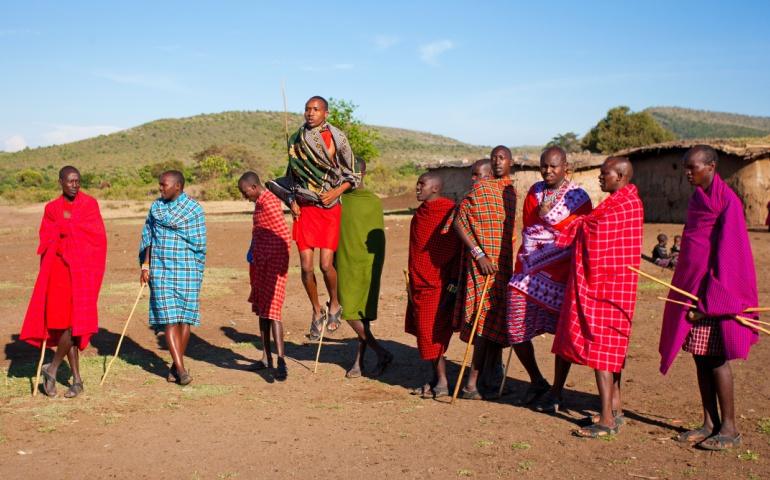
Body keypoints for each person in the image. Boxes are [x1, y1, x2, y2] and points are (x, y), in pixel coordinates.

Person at [659, 145, 760, 451]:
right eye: (685, 168)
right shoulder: (698, 200)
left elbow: (729, 257)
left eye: (693, 168)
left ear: (712, 166)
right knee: (700, 358)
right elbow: (694, 252)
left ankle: (729, 428)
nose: (687, 173)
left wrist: (709, 306)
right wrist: (690, 297)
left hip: (716, 298)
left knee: (717, 361)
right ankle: (708, 422)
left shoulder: (727, 202)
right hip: (695, 294)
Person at [551, 156, 643, 437]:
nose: (601, 178)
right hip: (616, 286)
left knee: (603, 350)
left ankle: (606, 420)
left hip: (607, 285)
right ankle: (615, 407)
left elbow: (598, 237)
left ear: (621, 175)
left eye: (605, 174)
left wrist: (578, 225)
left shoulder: (623, 205)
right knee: (612, 348)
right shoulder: (624, 201)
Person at [266, 96, 360, 340]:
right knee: (306, 267)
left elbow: (353, 176)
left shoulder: (338, 138)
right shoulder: (295, 140)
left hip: (329, 209)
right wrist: (292, 201)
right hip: (305, 209)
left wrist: (335, 193)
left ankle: (335, 304)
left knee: (325, 264)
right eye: (307, 109)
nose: (310, 113)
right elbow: (292, 178)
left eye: (315, 109)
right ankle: (316, 311)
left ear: (326, 113)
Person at [505, 146, 592, 409]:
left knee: (562, 335)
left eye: (554, 166)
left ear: (566, 166)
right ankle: (537, 380)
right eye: (544, 166)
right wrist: (548, 231)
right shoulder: (534, 192)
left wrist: (550, 225)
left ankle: (556, 390)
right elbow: (529, 230)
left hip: (563, 274)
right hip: (528, 269)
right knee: (515, 327)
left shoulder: (579, 197)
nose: (548, 171)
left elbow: (578, 232)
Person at [20, 166, 107, 398]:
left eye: (78, 181)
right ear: (60, 182)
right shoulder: (51, 208)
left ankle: (53, 368)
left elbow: (97, 238)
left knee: (74, 323)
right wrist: (63, 232)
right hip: (58, 272)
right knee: (64, 324)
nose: (74, 185)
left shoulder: (89, 205)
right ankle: (77, 381)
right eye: (70, 181)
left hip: (81, 272)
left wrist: (68, 231)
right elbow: (46, 239)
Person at [452, 145, 516, 399]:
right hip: (482, 267)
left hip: (504, 266)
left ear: (511, 162)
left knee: (496, 321)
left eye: (502, 158)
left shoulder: (511, 193)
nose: (498, 162)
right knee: (482, 321)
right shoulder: (481, 189)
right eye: (494, 158)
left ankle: (491, 375)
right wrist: (479, 254)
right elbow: (458, 221)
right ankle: (471, 383)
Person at [139, 170, 206, 386]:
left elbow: (200, 245)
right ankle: (182, 370)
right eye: (160, 185)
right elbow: (148, 237)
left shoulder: (194, 210)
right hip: (161, 271)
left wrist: (198, 271)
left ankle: (175, 365)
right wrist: (145, 265)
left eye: (163, 185)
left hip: (187, 270)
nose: (160, 189)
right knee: (169, 320)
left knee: (184, 319)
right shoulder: (156, 208)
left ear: (177, 186)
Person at [335, 159, 392, 378]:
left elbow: (379, 241)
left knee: (359, 314)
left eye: (353, 171)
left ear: (363, 173)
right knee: (350, 310)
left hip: (367, 265)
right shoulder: (339, 200)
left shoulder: (372, 202)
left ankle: (367, 358)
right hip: (346, 262)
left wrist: (375, 266)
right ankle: (370, 357)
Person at [405, 172, 460, 398]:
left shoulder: (448, 212)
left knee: (431, 333)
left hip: (438, 282)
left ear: (435, 188)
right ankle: (435, 378)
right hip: (418, 281)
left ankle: (443, 382)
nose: (417, 188)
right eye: (417, 183)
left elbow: (455, 249)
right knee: (424, 332)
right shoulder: (420, 215)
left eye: (422, 184)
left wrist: (453, 283)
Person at [238, 171, 291, 381]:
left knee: (273, 311)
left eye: (245, 193)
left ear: (253, 187)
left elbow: (282, 236)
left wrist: (274, 263)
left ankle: (281, 361)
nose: (245, 197)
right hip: (260, 262)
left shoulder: (269, 202)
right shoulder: (261, 202)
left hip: (274, 264)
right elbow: (260, 231)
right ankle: (266, 357)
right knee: (262, 310)